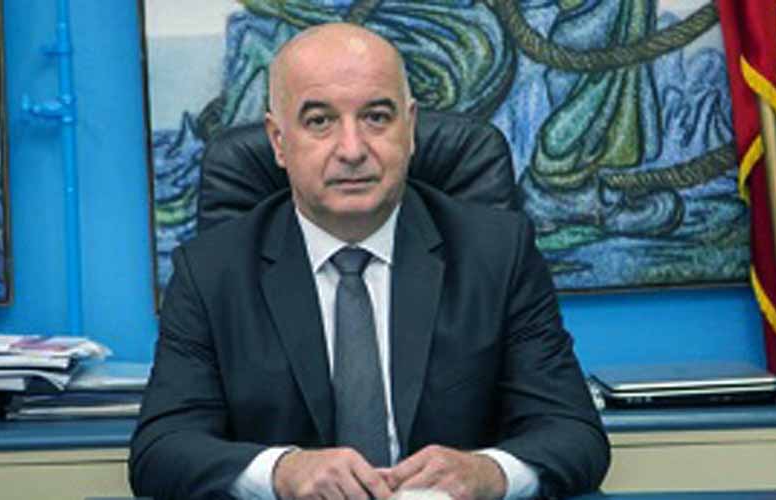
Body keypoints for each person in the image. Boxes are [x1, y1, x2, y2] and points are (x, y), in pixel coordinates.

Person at [129, 22, 609, 500]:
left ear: (410, 128)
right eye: (319, 121)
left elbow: (574, 434)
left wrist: (487, 473)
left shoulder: (497, 254)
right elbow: (161, 449)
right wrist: (283, 471)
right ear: (278, 141)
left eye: (377, 117)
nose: (353, 150)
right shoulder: (211, 272)